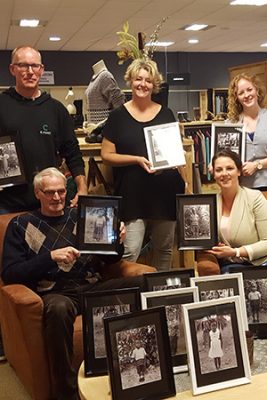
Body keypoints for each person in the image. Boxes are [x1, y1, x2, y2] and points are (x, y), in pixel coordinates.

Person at [1, 167, 152, 400]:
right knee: (58, 309)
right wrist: (50, 257)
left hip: (91, 287)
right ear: (37, 193)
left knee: (146, 283)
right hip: (57, 293)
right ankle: (67, 394)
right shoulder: (21, 225)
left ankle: (146, 370)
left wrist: (116, 242)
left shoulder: (82, 215)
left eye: (61, 191)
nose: (57, 197)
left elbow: (109, 259)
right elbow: (11, 274)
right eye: (50, 192)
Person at [101, 58, 185, 270]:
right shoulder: (117, 116)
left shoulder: (166, 113)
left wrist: (186, 184)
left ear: (154, 84)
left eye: (148, 80)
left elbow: (175, 154)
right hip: (133, 195)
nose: (143, 84)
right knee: (130, 252)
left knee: (164, 250)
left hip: (165, 192)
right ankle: (131, 300)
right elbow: (107, 155)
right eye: (138, 79)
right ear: (130, 81)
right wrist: (136, 160)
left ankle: (160, 296)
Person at [0, 46, 87, 213]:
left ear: (42, 70)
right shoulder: (2, 105)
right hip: (8, 202)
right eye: (23, 65)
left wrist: (82, 188)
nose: (30, 71)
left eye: (35, 66)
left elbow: (73, 153)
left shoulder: (56, 109)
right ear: (12, 69)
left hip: (49, 201)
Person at [206, 149, 267, 276]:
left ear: (238, 171)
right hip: (238, 263)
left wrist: (235, 252)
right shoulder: (211, 205)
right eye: (219, 170)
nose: (224, 173)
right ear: (214, 175)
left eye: (230, 168)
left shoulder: (255, 198)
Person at [227, 73, 267, 190]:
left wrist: (257, 165)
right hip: (243, 187)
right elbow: (225, 156)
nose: (246, 95)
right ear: (236, 98)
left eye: (249, 89)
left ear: (257, 90)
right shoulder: (230, 123)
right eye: (241, 93)